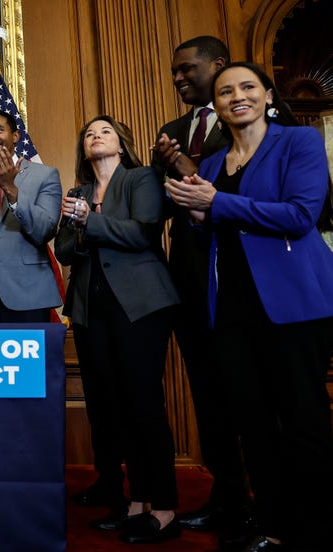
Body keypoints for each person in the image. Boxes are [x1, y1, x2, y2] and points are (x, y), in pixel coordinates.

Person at [166, 62, 333, 552]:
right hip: (233, 309)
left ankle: (319, 530)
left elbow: (301, 215)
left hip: (294, 304)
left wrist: (216, 203)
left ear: (266, 95)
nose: (236, 96)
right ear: (214, 106)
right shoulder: (215, 164)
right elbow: (215, 225)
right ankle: (275, 527)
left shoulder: (296, 142)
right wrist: (198, 213)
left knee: (303, 423)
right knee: (254, 427)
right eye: (224, 92)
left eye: (246, 87)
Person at [55, 115, 181, 544]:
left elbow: (143, 235)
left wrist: (90, 221)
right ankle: (134, 502)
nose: (95, 136)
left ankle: (163, 507)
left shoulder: (141, 179)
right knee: (109, 407)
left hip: (141, 306)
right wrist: (80, 223)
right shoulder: (78, 192)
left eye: (104, 131)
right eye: (89, 132)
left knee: (142, 404)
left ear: (121, 143)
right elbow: (65, 251)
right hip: (91, 311)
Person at [151, 36, 253, 540]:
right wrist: (169, 173)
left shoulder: (253, 125)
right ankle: (227, 498)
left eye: (187, 69)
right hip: (188, 285)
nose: (178, 79)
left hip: (244, 283)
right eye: (173, 72)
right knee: (209, 400)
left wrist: (194, 177)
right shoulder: (171, 132)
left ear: (218, 64)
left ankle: (269, 504)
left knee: (251, 400)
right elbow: (160, 209)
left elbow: (253, 197)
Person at [0, 110, 63, 323]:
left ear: (15, 136)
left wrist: (10, 189)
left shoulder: (45, 175)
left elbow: (45, 231)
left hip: (29, 296)